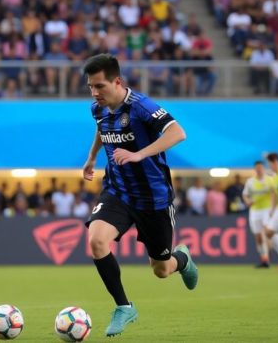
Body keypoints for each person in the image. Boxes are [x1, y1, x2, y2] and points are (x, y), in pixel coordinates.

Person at [81, 53, 198, 337]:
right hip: (117, 192)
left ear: (117, 81)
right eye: (91, 87)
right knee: (97, 241)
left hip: (153, 200)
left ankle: (181, 260)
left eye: (100, 86)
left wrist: (139, 155)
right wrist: (92, 157)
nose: (95, 93)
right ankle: (124, 307)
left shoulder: (142, 107)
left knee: (161, 269)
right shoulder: (98, 108)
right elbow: (101, 130)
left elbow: (178, 133)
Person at [242, 161, 277, 268]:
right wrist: (247, 201)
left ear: (263, 168)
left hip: (267, 210)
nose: (259, 170)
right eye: (257, 168)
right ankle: (264, 259)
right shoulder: (250, 182)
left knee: (266, 233)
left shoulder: (270, 180)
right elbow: (245, 195)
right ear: (255, 169)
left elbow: (275, 194)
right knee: (258, 237)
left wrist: (273, 208)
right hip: (255, 211)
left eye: (260, 168)